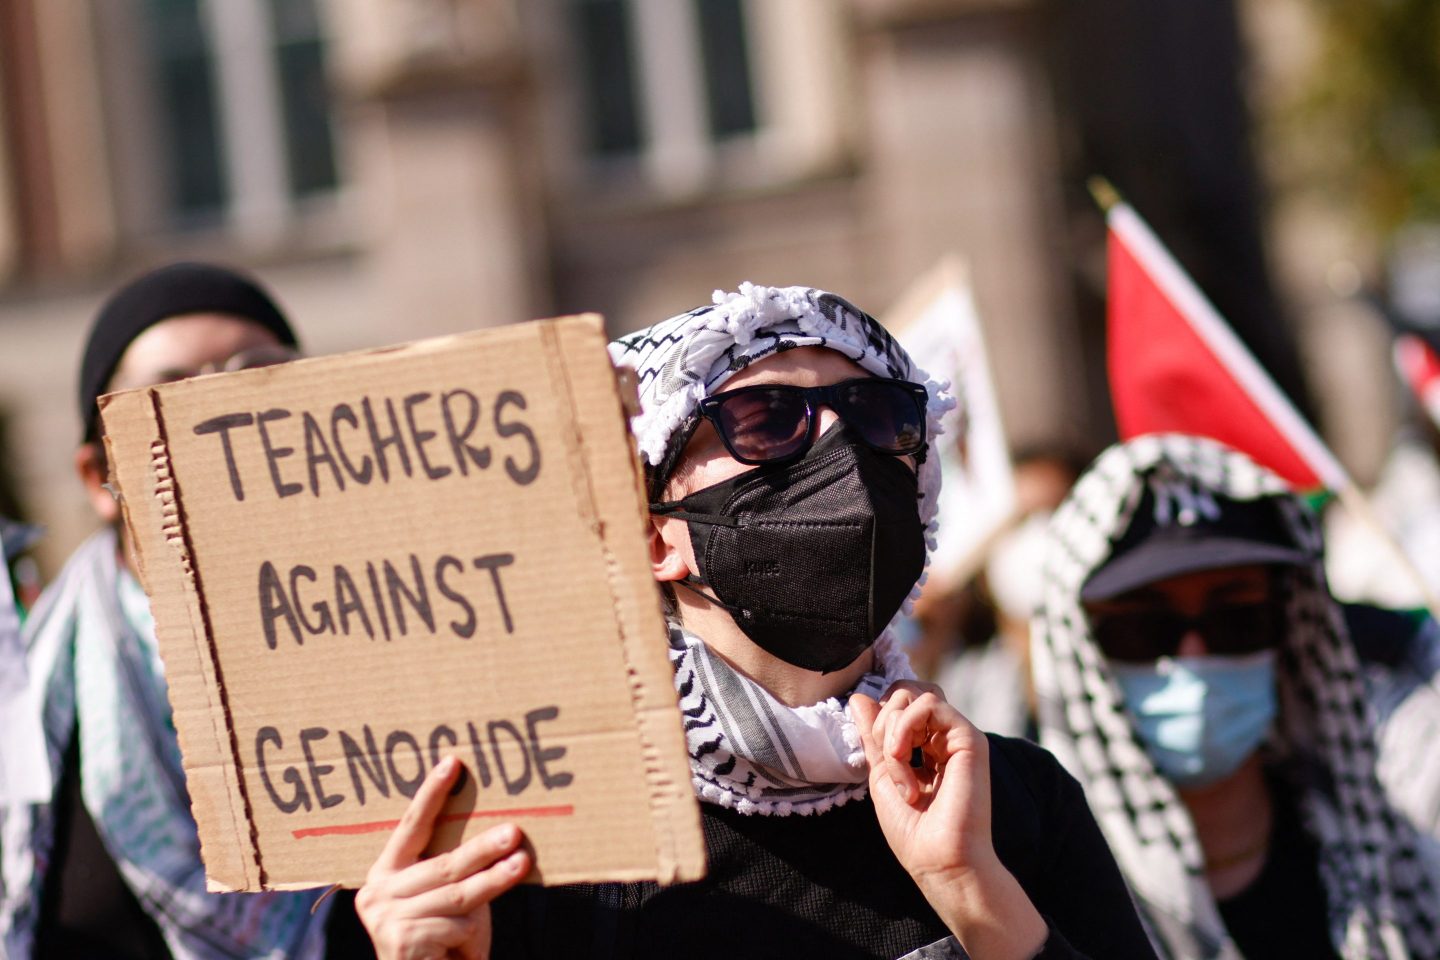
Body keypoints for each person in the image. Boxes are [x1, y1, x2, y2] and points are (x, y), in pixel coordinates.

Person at [353, 283, 1157, 959]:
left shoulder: (1010, 798)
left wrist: (969, 888)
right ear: (651, 533)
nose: (842, 446)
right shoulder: (535, 852)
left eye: (877, 416)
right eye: (769, 421)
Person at [0, 262, 366, 958]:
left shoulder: (408, 662)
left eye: (256, 376)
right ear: (96, 477)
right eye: (168, 393)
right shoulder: (26, 721)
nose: (217, 415)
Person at [1030, 433, 1440, 959]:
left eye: (1238, 620)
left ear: (1288, 629)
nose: (1195, 657)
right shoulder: (1040, 897)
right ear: (1083, 646)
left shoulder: (1386, 851)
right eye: (1145, 628)